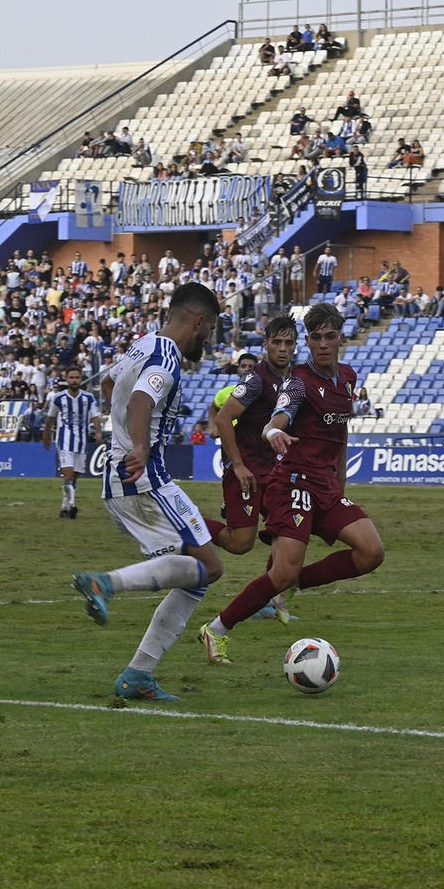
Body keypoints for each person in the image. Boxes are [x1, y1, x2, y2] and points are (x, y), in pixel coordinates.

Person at [195, 302, 383, 664]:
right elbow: (277, 418)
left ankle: (296, 582)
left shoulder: (347, 377)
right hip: (293, 483)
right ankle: (216, 629)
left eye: (330, 336)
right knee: (277, 569)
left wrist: (340, 479)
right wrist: (273, 432)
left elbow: (340, 431)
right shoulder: (297, 382)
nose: (323, 344)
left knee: (372, 552)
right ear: (308, 342)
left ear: (341, 339)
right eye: (316, 337)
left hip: (326, 486)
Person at [70, 282, 223, 702]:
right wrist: (138, 445)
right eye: (210, 329)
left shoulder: (142, 344)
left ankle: (138, 674)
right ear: (198, 321)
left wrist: (123, 437)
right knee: (208, 568)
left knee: (198, 575)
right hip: (145, 478)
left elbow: (111, 386)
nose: (207, 339)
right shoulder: (166, 356)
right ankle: (105, 584)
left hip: (127, 478)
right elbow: (140, 400)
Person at [206, 316, 299, 622]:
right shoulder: (256, 379)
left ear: (295, 346)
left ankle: (270, 601)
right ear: (266, 344)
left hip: (276, 473)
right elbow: (223, 419)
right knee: (240, 543)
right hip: (246, 471)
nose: (283, 348)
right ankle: (183, 524)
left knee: (288, 533)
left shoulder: (294, 381)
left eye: (288, 343)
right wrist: (238, 465)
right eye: (277, 342)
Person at [45, 366, 100, 520]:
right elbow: (50, 418)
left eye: (77, 377)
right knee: (68, 474)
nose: (74, 380)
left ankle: (64, 508)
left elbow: (95, 416)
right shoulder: (59, 398)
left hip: (82, 442)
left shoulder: (88, 398)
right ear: (66, 379)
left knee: (74, 478)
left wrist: (98, 432)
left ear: (81, 379)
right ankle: (72, 505)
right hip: (64, 441)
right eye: (71, 378)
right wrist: (46, 435)